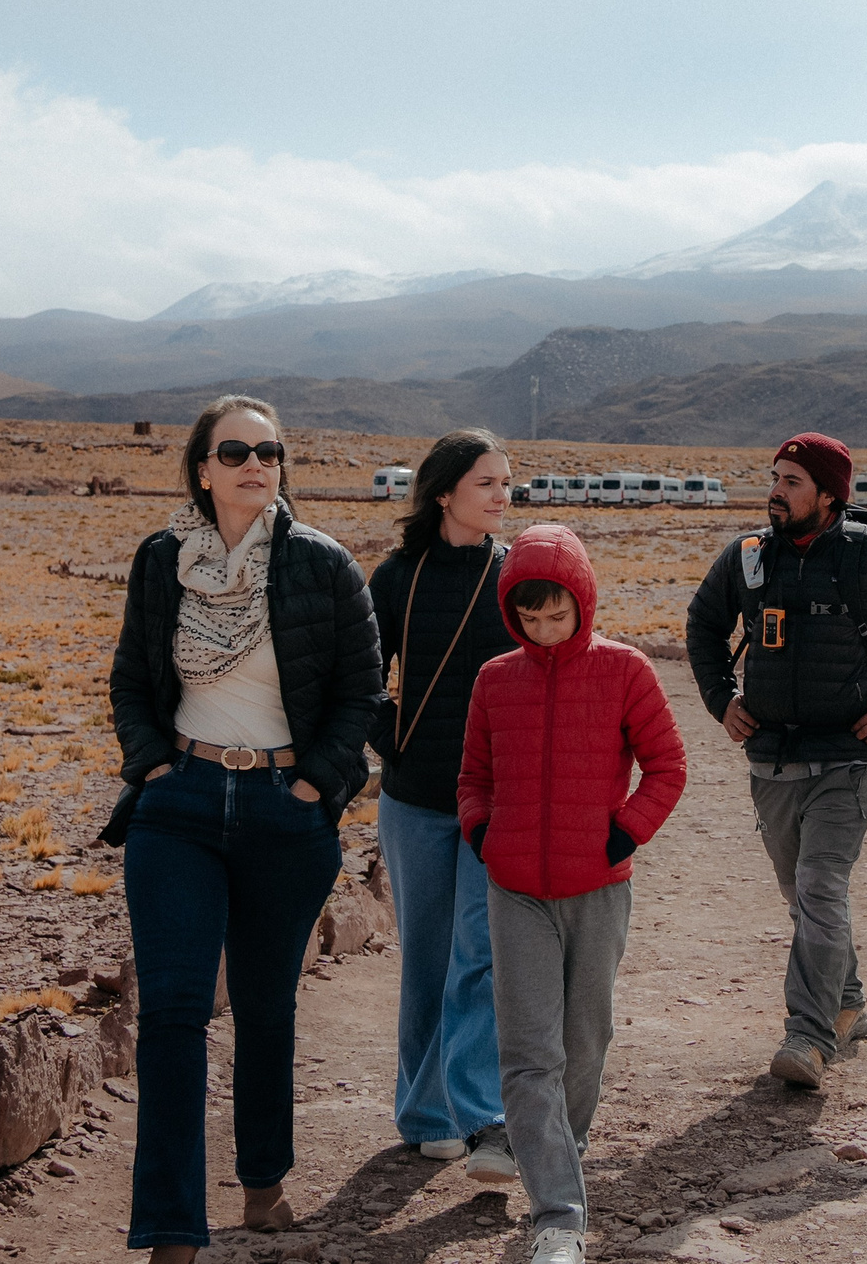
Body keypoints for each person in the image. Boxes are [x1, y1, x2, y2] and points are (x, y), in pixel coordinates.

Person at [102, 395, 384, 1264]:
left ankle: (262, 1183)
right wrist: (151, 765)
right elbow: (129, 679)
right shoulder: (162, 561)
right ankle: (173, 1230)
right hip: (178, 806)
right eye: (236, 452)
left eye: (271, 451)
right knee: (176, 1013)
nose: (256, 464)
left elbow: (360, 690)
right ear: (203, 468)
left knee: (264, 1006)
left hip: (280, 810)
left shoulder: (321, 564)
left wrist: (311, 785)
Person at [684, 432, 867, 1090]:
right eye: (775, 477)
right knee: (803, 894)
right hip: (772, 761)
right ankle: (846, 1002)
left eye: (793, 481)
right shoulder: (749, 558)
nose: (776, 491)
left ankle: (807, 1037)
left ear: (830, 495)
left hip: (847, 759)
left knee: (818, 886)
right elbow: (702, 624)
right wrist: (722, 698)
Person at [457, 526, 687, 1264]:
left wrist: (625, 833)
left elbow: (667, 766)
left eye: (558, 615)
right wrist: (481, 832)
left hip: (598, 887)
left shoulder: (625, 670)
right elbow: (473, 777)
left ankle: (562, 1144)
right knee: (530, 1053)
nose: (546, 630)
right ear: (513, 612)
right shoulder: (495, 678)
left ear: (582, 602)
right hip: (515, 888)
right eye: (531, 618)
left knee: (585, 1040)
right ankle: (557, 1217)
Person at [366, 430, 517, 1181]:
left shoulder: (520, 574)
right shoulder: (397, 578)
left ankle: (479, 1111)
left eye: (506, 483)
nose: (502, 495)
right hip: (417, 799)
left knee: (481, 956)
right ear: (446, 490)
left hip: (496, 801)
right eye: (487, 482)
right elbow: (353, 673)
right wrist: (387, 740)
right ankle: (427, 1116)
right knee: (427, 957)